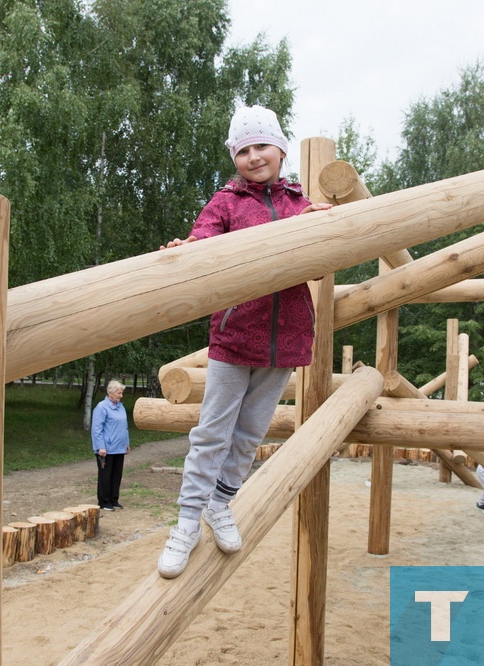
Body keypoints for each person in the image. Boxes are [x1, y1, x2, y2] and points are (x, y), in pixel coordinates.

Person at [155, 105, 333, 578]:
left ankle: (220, 503)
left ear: (280, 150)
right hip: (236, 336)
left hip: (286, 339)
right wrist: (186, 249)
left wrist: (325, 227)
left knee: (251, 432)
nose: (255, 156)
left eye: (262, 147)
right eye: (244, 149)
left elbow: (317, 266)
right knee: (212, 433)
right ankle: (186, 522)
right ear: (235, 156)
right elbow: (204, 242)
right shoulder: (227, 202)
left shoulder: (299, 203)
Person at [91, 380, 129, 511]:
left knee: (116, 475)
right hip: (106, 449)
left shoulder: (121, 407)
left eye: (121, 393)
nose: (121, 396)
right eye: (119, 393)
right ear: (110, 393)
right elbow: (96, 429)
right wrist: (100, 446)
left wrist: (126, 443)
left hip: (119, 448)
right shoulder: (101, 407)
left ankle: (114, 499)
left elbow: (124, 427)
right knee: (105, 476)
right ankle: (104, 501)